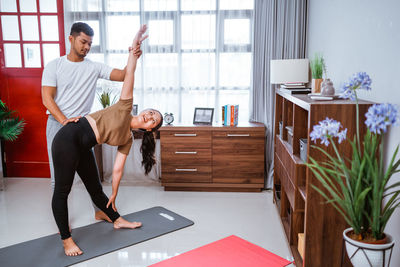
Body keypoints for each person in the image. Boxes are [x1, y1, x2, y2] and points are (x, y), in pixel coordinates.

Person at [51, 25, 163, 256]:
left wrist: (114, 194)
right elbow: (129, 74)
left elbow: (118, 169)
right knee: (62, 191)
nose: (150, 116)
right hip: (68, 138)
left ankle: (116, 218)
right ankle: (66, 239)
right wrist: (134, 46)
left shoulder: (128, 139)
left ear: (150, 129)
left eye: (154, 120)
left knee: (95, 188)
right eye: (151, 112)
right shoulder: (124, 106)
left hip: (83, 147)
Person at [42, 22, 130, 223]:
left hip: (82, 129)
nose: (87, 47)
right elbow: (47, 99)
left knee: (92, 179)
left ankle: (99, 211)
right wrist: (64, 120)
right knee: (59, 181)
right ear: (71, 39)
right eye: (83, 42)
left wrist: (133, 54)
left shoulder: (94, 67)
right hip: (57, 125)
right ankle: (62, 224)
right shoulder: (54, 65)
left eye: (90, 43)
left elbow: (123, 75)